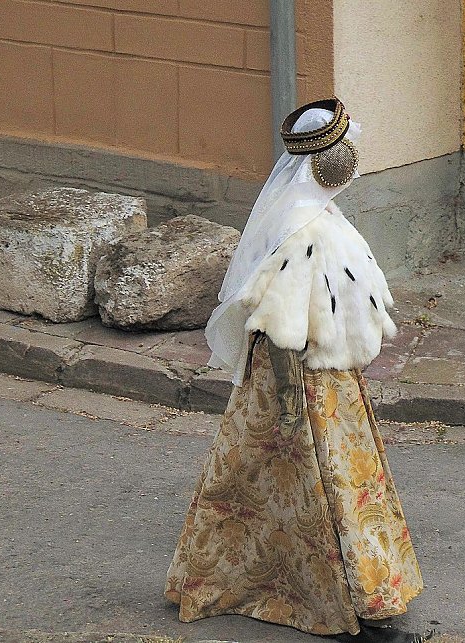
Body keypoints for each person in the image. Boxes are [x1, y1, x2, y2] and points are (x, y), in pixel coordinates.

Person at [165, 98, 435, 642]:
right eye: (345, 149)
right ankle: (351, 599)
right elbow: (282, 317)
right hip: (302, 378)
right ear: (326, 159)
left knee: (268, 484)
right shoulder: (301, 224)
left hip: (324, 375)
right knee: (320, 482)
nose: (353, 157)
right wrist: (292, 396)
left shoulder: (316, 209)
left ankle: (296, 582)